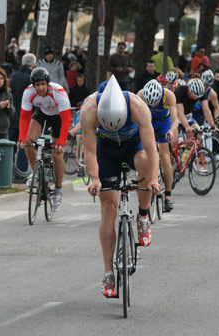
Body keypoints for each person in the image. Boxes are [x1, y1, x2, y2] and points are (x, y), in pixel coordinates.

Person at [79, 75, 161, 297]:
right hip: (106, 149)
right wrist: (95, 179)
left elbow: (152, 147)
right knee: (108, 209)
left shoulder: (137, 106)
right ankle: (108, 273)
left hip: (132, 145)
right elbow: (90, 151)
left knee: (144, 162)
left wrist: (153, 179)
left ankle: (143, 216)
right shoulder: (88, 110)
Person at [18, 67, 72, 211]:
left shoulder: (58, 92)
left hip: (58, 118)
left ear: (47, 83)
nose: (40, 88)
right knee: (28, 142)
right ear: (33, 85)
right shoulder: (28, 92)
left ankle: (58, 191)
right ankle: (34, 171)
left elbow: (66, 120)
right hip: (41, 113)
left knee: (56, 153)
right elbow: (24, 116)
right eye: (37, 85)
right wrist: (21, 138)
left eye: (43, 84)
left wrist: (60, 143)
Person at [138, 79, 178, 212]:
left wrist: (171, 132)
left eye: (155, 102)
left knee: (165, 158)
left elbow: (175, 120)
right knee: (144, 155)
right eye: (151, 103)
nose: (153, 106)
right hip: (148, 123)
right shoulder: (141, 95)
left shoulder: (169, 96)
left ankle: (168, 196)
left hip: (164, 124)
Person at [8, 54, 34, 179]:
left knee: (10, 147)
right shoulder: (29, 79)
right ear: (33, 65)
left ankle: (8, 172)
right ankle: (20, 174)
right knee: (23, 147)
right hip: (24, 118)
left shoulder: (12, 76)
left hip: (11, 116)